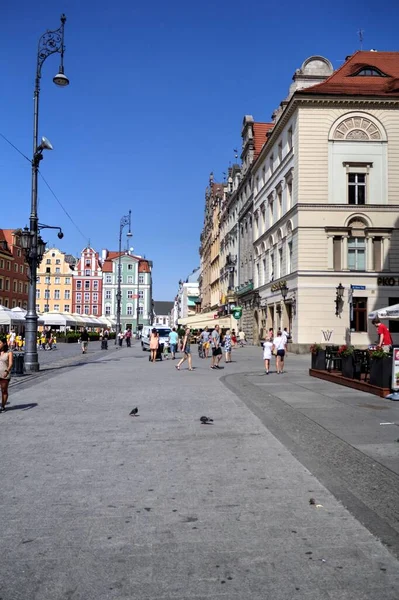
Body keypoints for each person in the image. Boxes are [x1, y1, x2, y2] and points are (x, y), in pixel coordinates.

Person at [0, 338, 13, 412]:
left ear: (4, 344)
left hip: (5, 374)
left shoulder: (9, 352)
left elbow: (11, 363)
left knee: (4, 390)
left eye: (0, 343)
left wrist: (7, 371)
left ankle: (3, 406)